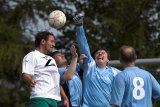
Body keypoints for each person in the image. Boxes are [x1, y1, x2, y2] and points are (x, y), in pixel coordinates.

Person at [73, 14, 121, 107]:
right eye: (97, 53)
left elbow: (129, 79)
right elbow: (83, 44)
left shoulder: (115, 72)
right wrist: (79, 26)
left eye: (103, 53)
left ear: (107, 60)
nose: (100, 54)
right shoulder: (90, 66)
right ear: (93, 58)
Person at [22, 31, 61, 107]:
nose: (54, 45)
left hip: (54, 99)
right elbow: (26, 74)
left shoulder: (51, 59)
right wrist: (30, 80)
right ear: (43, 41)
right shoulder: (32, 55)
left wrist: (74, 58)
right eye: (52, 41)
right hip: (40, 98)